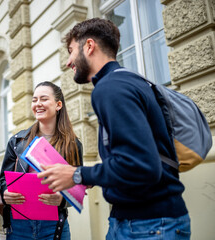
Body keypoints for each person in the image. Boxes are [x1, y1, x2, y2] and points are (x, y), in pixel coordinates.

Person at [38, 18, 191, 239]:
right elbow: (135, 159)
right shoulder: (129, 81)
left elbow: (142, 165)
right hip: (143, 221)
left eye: (71, 51)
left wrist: (77, 174)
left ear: (89, 46)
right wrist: (91, 177)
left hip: (147, 226)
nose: (68, 62)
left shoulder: (110, 88)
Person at [0, 81, 83, 240]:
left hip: (54, 224)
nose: (38, 104)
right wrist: (5, 193)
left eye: (43, 99)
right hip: (19, 225)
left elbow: (78, 185)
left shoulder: (72, 144)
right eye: (34, 100)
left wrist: (62, 199)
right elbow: (3, 178)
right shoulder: (17, 141)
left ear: (58, 105)